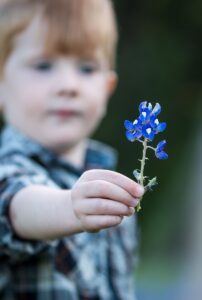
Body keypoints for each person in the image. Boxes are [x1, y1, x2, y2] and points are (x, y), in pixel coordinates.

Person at [0, 0, 144, 299]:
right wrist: (69, 207)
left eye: (87, 68)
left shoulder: (113, 186)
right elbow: (16, 205)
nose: (68, 85)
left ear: (107, 89)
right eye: (43, 66)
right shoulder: (7, 167)